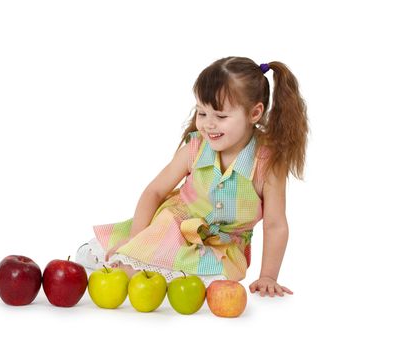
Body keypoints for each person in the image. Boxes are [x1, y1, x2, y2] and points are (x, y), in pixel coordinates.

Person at [76, 56, 308, 297]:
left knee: (209, 282)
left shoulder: (266, 164)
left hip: (220, 247)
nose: (208, 125)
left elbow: (275, 224)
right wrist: (137, 239)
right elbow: (154, 191)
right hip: (173, 226)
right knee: (120, 263)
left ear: (254, 113)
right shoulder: (195, 148)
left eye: (220, 116)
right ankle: (131, 263)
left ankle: (156, 271)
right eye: (202, 113)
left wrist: (268, 276)